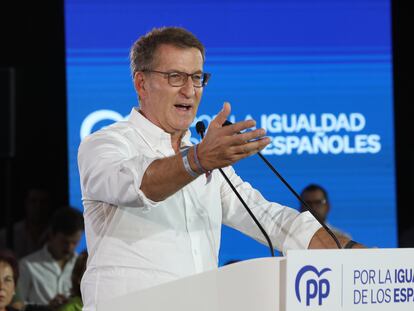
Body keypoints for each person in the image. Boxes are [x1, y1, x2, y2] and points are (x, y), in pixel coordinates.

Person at [78, 26, 363, 311]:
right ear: (142, 83)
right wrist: (198, 160)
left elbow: (271, 219)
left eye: (197, 77)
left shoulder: (204, 159)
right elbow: (137, 186)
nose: (189, 90)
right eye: (175, 77)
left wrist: (350, 253)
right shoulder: (104, 145)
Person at [18, 207, 84, 309]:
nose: (70, 247)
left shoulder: (82, 266)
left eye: (75, 242)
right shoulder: (27, 265)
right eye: (64, 242)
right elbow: (17, 305)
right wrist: (45, 308)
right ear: (51, 234)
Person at [0, 187, 52, 259]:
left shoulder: (57, 235)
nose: (38, 206)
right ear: (26, 203)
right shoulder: (7, 235)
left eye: (43, 202)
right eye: (33, 201)